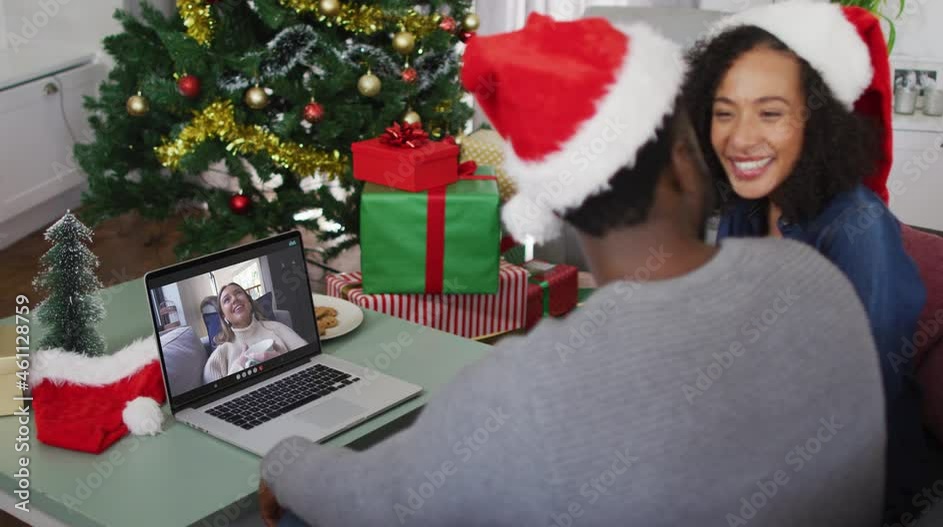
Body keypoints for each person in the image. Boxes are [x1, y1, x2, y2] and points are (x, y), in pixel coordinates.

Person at [259, 13, 887, 526]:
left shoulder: (522, 392)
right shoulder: (813, 280)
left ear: (556, 207)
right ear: (683, 161)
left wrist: (283, 461)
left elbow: (373, 503)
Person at [682, 1, 934, 519]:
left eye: (770, 113)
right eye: (724, 112)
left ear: (816, 122)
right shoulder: (746, 210)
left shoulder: (856, 227)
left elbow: (864, 405)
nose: (740, 138)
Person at [203, 282, 307, 382]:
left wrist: (283, 360)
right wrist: (240, 366)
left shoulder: (277, 328)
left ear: (249, 302)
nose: (234, 299)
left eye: (238, 293)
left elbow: (308, 357)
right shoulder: (221, 354)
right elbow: (218, 397)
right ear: (223, 316)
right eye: (226, 300)